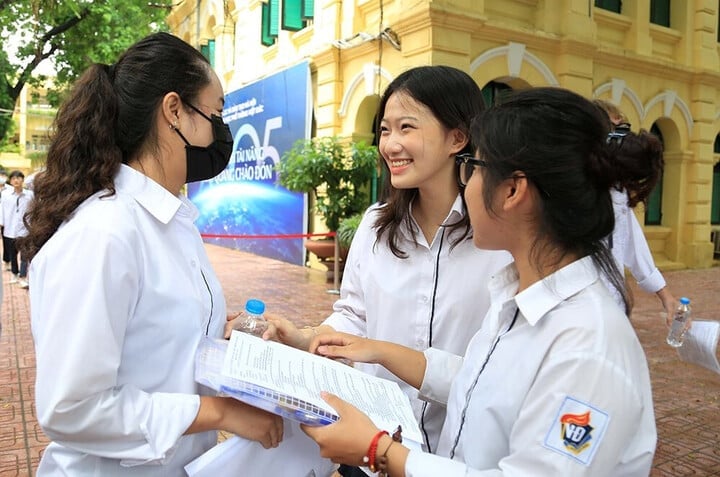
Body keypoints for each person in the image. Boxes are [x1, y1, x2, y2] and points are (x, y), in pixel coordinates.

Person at [301, 87, 656, 475]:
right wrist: (375, 350)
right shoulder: (517, 299)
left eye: (473, 168)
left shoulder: (589, 346)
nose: (465, 184)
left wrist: (378, 450)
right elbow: (479, 383)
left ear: (512, 190)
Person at [19, 32, 283, 475]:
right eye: (216, 113)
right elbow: (71, 408)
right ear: (174, 110)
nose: (220, 131)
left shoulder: (172, 221)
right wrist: (218, 412)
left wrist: (215, 331)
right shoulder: (105, 234)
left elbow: (151, 338)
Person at [256, 66, 511, 465]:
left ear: (457, 137)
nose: (390, 144)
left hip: (460, 459)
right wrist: (308, 337)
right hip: (370, 447)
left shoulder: (498, 239)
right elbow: (355, 316)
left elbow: (503, 367)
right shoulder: (376, 226)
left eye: (406, 127)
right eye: (385, 130)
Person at [593, 99, 677, 320]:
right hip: (582, 309)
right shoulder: (573, 186)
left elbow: (632, 242)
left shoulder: (617, 190)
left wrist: (666, 296)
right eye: (615, 130)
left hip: (614, 304)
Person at [0, 170, 33, 288]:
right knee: (12, 255)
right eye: (13, 178)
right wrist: (2, 223)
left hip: (25, 230)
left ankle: (23, 277)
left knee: (25, 255)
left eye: (18, 178)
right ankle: (14, 274)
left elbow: (34, 210)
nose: (16, 180)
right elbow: (1, 209)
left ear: (22, 180)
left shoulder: (30, 195)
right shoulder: (5, 195)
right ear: (11, 181)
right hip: (10, 229)